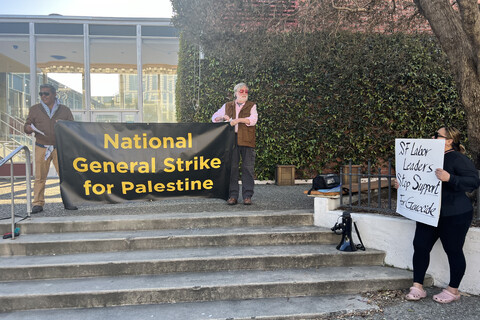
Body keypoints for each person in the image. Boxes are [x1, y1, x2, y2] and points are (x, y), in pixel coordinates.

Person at [401, 126, 480, 303]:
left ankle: (453, 290)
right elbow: (418, 179)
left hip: (455, 214)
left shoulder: (458, 159)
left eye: (436, 135)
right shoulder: (426, 157)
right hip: (428, 212)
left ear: (449, 140)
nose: (431, 136)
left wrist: (450, 178)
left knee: (453, 250)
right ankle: (418, 286)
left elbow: (474, 181)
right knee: (420, 246)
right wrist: (404, 184)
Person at [24, 84, 77, 213]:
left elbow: (73, 127)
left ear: (54, 94)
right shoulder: (35, 109)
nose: (43, 96)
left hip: (59, 147)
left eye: (46, 94)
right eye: (41, 94)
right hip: (41, 147)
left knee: (65, 177)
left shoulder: (64, 110)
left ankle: (68, 201)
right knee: (40, 177)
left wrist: (64, 125)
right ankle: (38, 203)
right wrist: (28, 128)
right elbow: (26, 125)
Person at [212, 82, 258, 205]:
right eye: (241, 91)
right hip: (232, 140)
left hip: (247, 139)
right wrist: (223, 118)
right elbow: (214, 118)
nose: (244, 93)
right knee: (232, 169)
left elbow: (253, 120)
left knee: (248, 168)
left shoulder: (252, 105)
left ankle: (247, 196)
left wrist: (237, 120)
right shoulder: (227, 105)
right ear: (236, 93)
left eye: (246, 91)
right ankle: (233, 196)